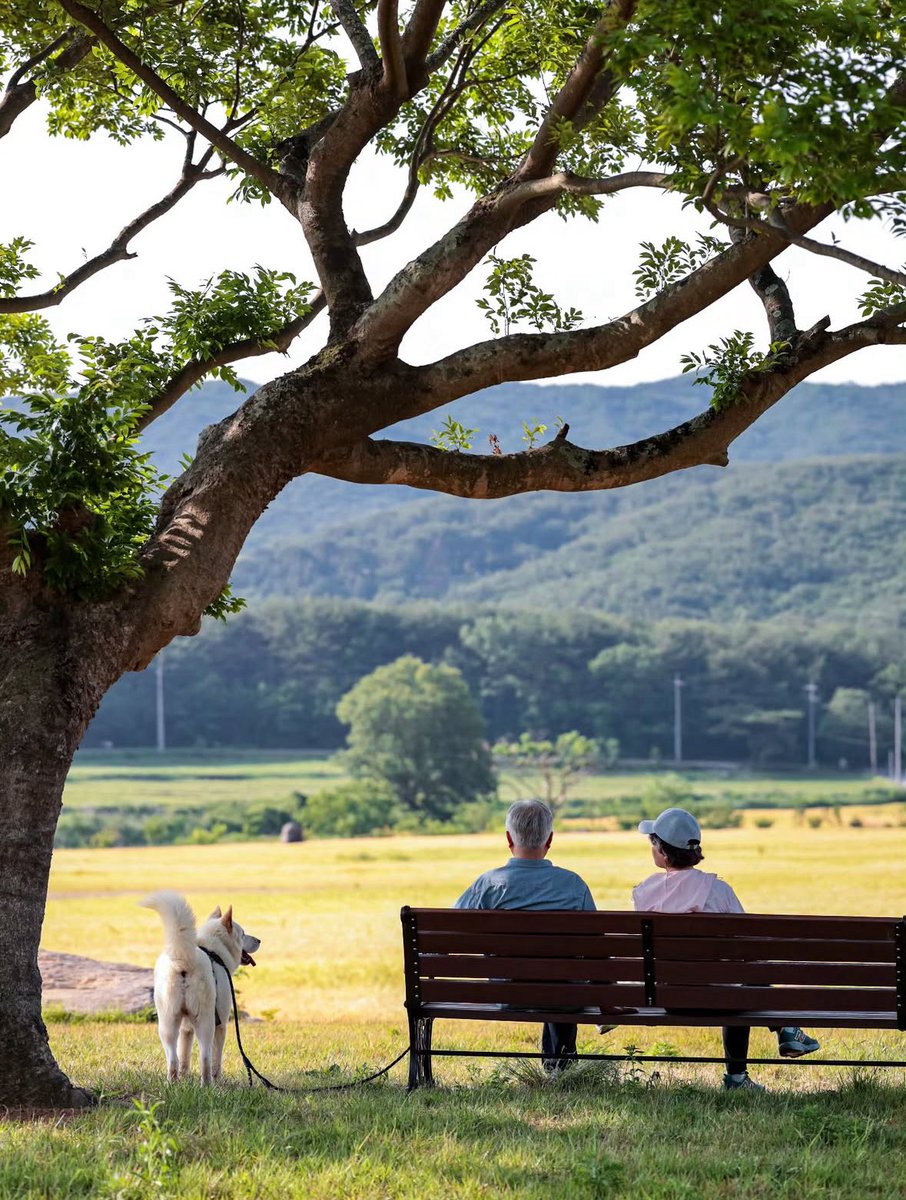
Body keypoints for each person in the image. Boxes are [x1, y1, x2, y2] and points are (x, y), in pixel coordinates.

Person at [632, 806, 820, 1091]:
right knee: (745, 975)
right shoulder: (718, 891)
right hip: (722, 997)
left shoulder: (645, 893)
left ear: (662, 852)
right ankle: (752, 1062)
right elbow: (749, 949)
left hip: (668, 997)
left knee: (739, 978)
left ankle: (785, 1030)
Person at [454, 798, 596, 1073]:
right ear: (550, 839)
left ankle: (556, 1064)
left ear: (508, 838)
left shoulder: (489, 884)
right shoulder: (573, 885)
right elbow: (595, 946)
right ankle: (560, 1066)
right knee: (561, 979)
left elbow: (449, 931)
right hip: (564, 995)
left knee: (552, 977)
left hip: (508, 992)